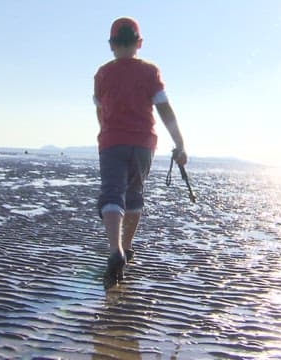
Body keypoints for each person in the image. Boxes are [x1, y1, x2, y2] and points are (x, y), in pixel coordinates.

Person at [93, 17, 187, 289]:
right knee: (134, 194)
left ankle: (115, 250)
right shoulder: (150, 72)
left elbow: (100, 112)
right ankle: (128, 245)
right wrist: (180, 143)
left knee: (112, 194)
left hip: (112, 142)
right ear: (139, 43)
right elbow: (165, 109)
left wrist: (106, 133)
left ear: (111, 44)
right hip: (144, 143)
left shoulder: (102, 74)